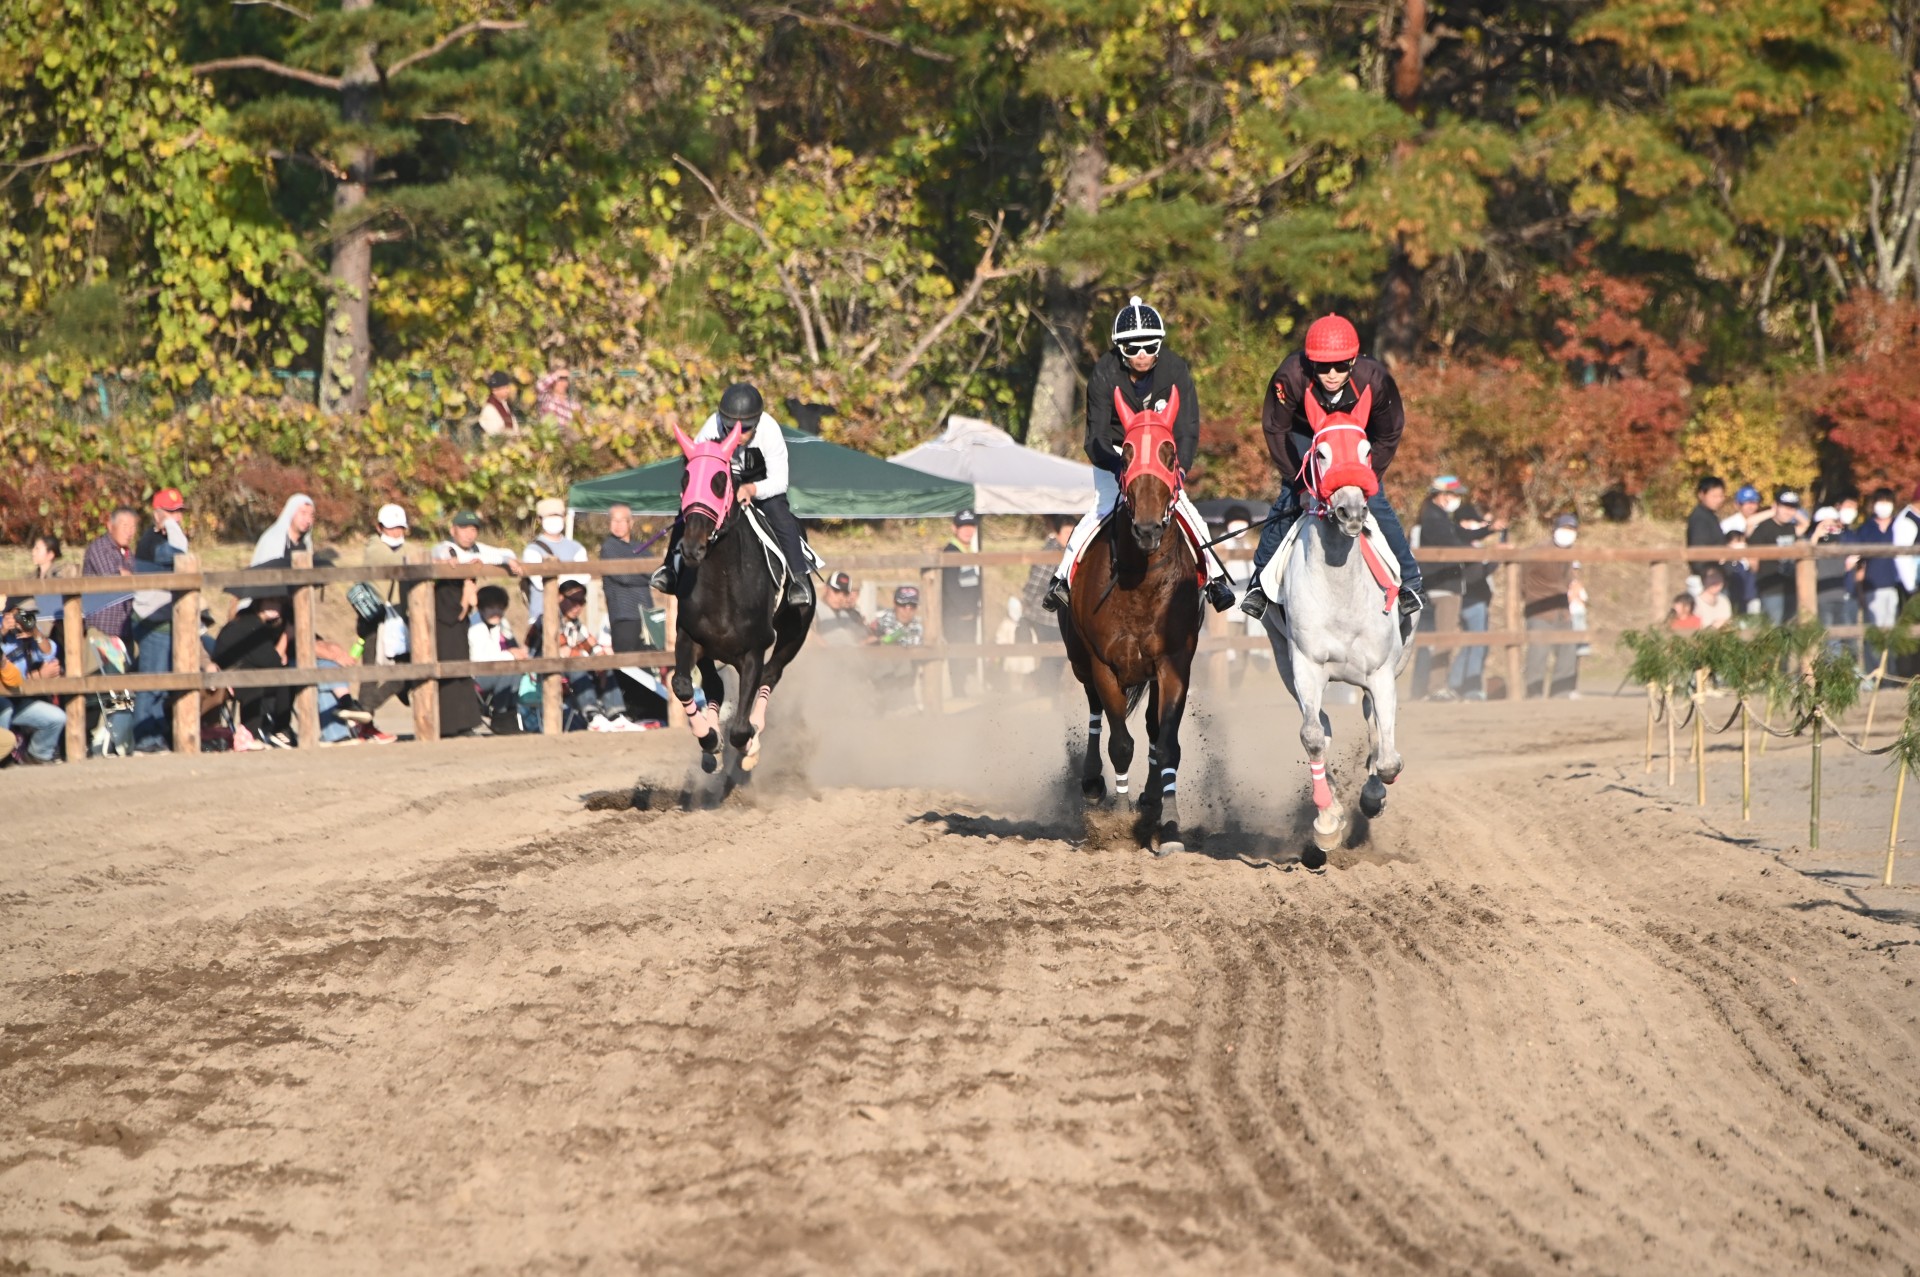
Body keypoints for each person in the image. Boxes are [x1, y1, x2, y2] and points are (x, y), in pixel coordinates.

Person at [1041, 297, 1236, 614]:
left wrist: (1180, 470)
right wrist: (1121, 467)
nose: (1142, 355)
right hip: (1120, 454)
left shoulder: (1175, 369)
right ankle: (1062, 579)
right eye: (1132, 349)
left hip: (1160, 457)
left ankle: (1214, 579)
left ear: (1160, 345)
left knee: (1184, 508)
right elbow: (1095, 438)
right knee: (1103, 508)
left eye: (1149, 347)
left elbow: (1187, 428)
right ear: (1120, 348)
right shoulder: (1104, 372)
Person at [1238, 313, 1424, 621]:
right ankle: (1259, 583)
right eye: (1324, 367)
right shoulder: (1291, 377)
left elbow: (1390, 431)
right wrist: (1299, 484)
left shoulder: (1376, 380)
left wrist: (1367, 478)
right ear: (1311, 363)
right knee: (1290, 497)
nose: (1333, 374)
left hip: (1357, 436)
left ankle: (1410, 582)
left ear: (1354, 361)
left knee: (1374, 500)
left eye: (1341, 365)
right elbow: (1275, 429)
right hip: (1306, 434)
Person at [651, 382, 812, 609]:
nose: (738, 434)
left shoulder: (769, 430)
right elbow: (697, 466)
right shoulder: (712, 426)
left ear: (756, 422)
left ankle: (799, 580)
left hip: (761, 489)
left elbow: (779, 482)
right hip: (722, 490)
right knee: (690, 511)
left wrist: (751, 489)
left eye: (745, 429)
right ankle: (669, 569)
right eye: (730, 428)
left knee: (781, 516)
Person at [432, 512, 523, 737]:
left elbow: (503, 553)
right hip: (447, 612)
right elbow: (441, 554)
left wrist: (508, 560)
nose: (469, 533)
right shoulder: (446, 547)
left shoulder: (477, 549)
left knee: (514, 669)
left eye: (473, 529)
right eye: (464, 528)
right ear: (453, 530)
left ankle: (501, 715)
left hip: (462, 610)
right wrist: (458, 563)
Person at [129, 489, 191, 754]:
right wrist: (171, 527)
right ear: (157, 514)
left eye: (179, 512)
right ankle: (144, 738)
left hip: (165, 620)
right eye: (170, 512)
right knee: (152, 680)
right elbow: (181, 553)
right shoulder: (152, 542)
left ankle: (155, 734)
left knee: (163, 684)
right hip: (152, 620)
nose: (176, 518)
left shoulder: (162, 538)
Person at [1410, 477, 1469, 701]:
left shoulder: (1431, 517)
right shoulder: (1436, 519)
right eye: (1453, 495)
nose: (1456, 500)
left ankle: (1421, 688)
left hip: (1430, 585)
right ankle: (1437, 686)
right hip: (1444, 585)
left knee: (1427, 639)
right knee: (1444, 637)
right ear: (1440, 494)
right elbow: (1452, 545)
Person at [599, 503, 660, 721]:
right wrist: (643, 570)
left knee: (646, 665)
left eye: (622, 520)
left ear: (631, 523)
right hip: (623, 614)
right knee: (627, 666)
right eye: (613, 520)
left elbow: (656, 573)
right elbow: (624, 576)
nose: (617, 525)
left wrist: (644, 570)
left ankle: (650, 710)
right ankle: (631, 710)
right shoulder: (609, 547)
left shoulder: (640, 547)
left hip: (645, 614)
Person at [527, 581, 615, 730]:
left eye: (581, 601)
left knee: (605, 664)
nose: (577, 606)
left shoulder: (575, 624)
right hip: (540, 673)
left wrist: (602, 658)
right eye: (573, 600)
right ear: (560, 598)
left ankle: (616, 714)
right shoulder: (546, 620)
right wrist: (582, 654)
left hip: (568, 671)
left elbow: (592, 646)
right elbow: (559, 649)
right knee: (575, 663)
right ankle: (592, 714)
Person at [213, 592, 295, 746]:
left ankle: (265, 731)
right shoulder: (251, 625)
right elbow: (273, 661)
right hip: (229, 679)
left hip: (234, 674)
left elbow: (267, 660)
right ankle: (280, 730)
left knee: (273, 677)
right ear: (258, 603)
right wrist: (286, 636)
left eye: (278, 602)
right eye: (269, 600)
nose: (274, 606)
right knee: (286, 678)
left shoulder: (248, 621)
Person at [1522, 515, 1583, 699]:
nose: (1568, 534)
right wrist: (1530, 598)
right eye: (1564, 528)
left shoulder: (1572, 552)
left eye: (1572, 530)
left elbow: (1574, 577)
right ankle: (1534, 692)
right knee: (1538, 653)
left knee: (1568, 651)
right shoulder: (1538, 551)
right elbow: (1521, 579)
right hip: (1540, 607)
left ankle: (1561, 691)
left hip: (1563, 609)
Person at [0, 601, 66, 764]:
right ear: (8, 613)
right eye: (20, 614)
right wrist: (2, 631)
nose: (24, 619)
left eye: (29, 614)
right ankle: (4, 756)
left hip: (19, 699)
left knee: (56, 718)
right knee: (6, 707)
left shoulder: (27, 636)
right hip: (3, 699)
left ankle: (37, 756)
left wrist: (35, 632)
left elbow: (49, 653)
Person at [1851, 489, 1902, 669]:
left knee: (1893, 634)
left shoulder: (1900, 526)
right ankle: (1874, 674)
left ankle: (1891, 675)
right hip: (1872, 588)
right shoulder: (1865, 529)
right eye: (1880, 502)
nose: (1884, 506)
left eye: (1887, 502)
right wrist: (1860, 590)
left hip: (1896, 587)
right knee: (1873, 634)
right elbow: (1859, 564)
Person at [468, 584, 528, 734]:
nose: (497, 612)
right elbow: (479, 660)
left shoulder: (502, 624)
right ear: (481, 608)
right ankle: (501, 714)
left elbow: (512, 645)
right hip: (477, 677)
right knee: (510, 669)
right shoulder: (475, 627)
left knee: (516, 669)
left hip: (497, 673)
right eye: (491, 608)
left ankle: (510, 714)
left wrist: (519, 652)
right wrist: (511, 654)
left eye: (500, 608)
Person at [523, 497, 589, 622]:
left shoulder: (577, 548)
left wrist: (559, 577)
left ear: (564, 517)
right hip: (540, 617)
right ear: (539, 519)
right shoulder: (532, 550)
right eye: (549, 516)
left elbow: (584, 578)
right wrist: (570, 576)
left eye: (557, 515)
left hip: (569, 618)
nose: (554, 520)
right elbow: (540, 582)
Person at [81, 506, 139, 644]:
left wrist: (127, 575)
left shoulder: (128, 553)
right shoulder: (99, 548)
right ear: (110, 526)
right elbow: (112, 578)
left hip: (125, 628)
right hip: (102, 628)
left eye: (133, 527)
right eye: (125, 525)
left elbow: (135, 577)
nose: (129, 531)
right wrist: (124, 575)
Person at [1747, 490, 1805, 624]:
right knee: (1774, 628)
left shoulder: (1791, 528)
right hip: (1770, 588)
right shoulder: (1764, 527)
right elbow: (1749, 524)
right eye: (1784, 506)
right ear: (1776, 505)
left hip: (1790, 586)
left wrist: (1793, 512)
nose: (1788, 511)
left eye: (1792, 507)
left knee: (1790, 629)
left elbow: (1805, 524)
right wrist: (1773, 511)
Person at [943, 510, 984, 696]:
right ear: (954, 528)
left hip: (967, 614)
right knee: (959, 653)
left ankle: (964, 690)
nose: (968, 530)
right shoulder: (952, 551)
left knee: (966, 653)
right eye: (963, 526)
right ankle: (959, 691)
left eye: (971, 526)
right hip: (956, 616)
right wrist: (965, 610)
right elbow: (950, 586)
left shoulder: (967, 551)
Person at [1809, 506, 1858, 659]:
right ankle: (1831, 674)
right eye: (1827, 524)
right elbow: (1808, 551)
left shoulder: (1841, 543)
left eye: (1834, 523)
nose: (1831, 527)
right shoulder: (1814, 544)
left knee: (1850, 638)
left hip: (1841, 597)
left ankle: (1852, 672)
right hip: (1823, 600)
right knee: (1831, 641)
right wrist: (1817, 534)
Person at [1686, 476, 1728, 596]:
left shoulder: (1711, 516)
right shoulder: (1699, 518)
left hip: (1715, 575)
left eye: (1721, 496)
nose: (1719, 500)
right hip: (1707, 578)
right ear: (1701, 495)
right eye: (1714, 496)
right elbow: (1699, 549)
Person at [251, 493, 316, 567]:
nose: (308, 520)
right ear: (291, 512)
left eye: (311, 515)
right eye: (303, 513)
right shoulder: (273, 540)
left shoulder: (306, 543)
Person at [816, 571, 868, 645]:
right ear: (825, 589)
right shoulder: (813, 611)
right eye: (836, 591)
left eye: (845, 593)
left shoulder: (845, 615)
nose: (840, 597)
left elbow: (860, 636)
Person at [477, 370, 519, 437]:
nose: (507, 391)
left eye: (507, 387)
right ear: (495, 390)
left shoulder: (504, 404)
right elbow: (496, 435)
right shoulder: (489, 409)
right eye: (504, 388)